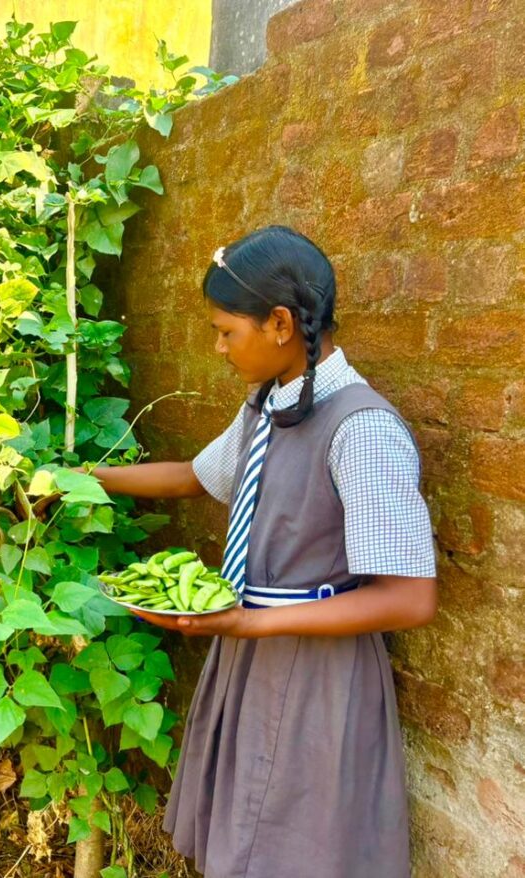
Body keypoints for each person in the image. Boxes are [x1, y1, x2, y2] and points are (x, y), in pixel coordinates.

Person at [89, 226, 437, 877]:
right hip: (251, 652)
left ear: (279, 323)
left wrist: (249, 621)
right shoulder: (269, 405)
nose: (218, 347)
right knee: (248, 827)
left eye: (226, 331)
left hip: (318, 673)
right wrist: (82, 480)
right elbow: (197, 477)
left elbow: (410, 597)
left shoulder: (360, 431)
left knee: (297, 844)